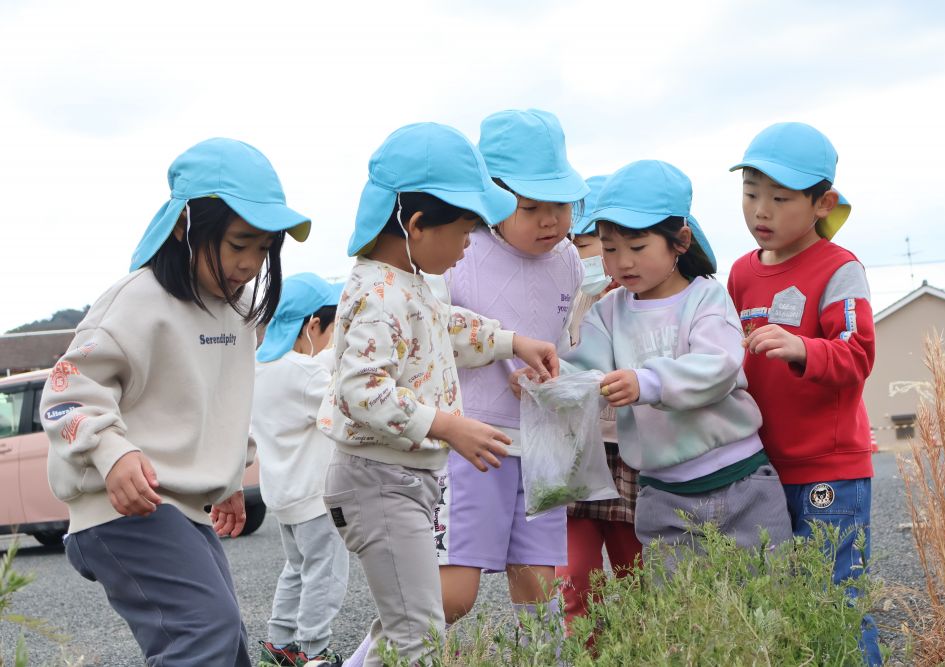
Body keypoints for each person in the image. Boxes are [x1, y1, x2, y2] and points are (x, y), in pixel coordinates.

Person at [39, 138, 311, 667]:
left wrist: (230, 478)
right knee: (202, 630)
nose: (252, 264)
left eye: (264, 249)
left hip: (183, 508)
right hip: (124, 506)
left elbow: (219, 403)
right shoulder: (137, 301)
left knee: (228, 643)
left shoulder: (234, 314)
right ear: (187, 225)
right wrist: (112, 453)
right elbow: (65, 394)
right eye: (239, 244)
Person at [323, 122, 560, 667]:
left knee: (408, 624)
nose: (466, 248)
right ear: (417, 225)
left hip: (400, 479)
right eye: (462, 233)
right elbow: (362, 389)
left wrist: (511, 341)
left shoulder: (407, 283)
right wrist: (447, 425)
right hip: (377, 479)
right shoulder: (373, 291)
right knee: (420, 633)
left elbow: (446, 327)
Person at [545, 159, 792, 572]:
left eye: (637, 247)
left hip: (739, 481)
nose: (622, 262)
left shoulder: (706, 298)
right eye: (609, 248)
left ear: (680, 241)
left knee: (767, 598)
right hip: (662, 494)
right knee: (681, 617)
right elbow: (583, 370)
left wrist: (647, 383)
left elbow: (719, 366)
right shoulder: (609, 312)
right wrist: (548, 378)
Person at [726, 122, 881, 664]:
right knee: (779, 606)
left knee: (834, 600)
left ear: (823, 203)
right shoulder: (741, 275)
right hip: (762, 470)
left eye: (779, 198)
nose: (760, 211)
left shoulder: (839, 269)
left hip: (829, 469)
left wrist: (803, 349)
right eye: (750, 194)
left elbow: (858, 353)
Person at [436, 108, 586, 632]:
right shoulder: (461, 250)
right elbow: (430, 332)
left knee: (540, 590)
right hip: (470, 438)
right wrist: (507, 347)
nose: (550, 220)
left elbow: (560, 341)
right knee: (453, 594)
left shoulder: (569, 260)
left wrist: (551, 374)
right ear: (493, 198)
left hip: (539, 440)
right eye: (531, 207)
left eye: (561, 205)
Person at [557, 175, 643, 634]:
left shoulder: (642, 297)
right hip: (578, 452)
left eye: (589, 241)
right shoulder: (562, 296)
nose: (580, 252)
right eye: (576, 239)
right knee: (572, 583)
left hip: (632, 450)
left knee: (638, 581)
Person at [253, 273, 349, 667]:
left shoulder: (258, 369)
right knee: (325, 575)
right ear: (312, 326)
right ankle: (314, 651)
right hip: (314, 497)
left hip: (281, 496)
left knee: (296, 568)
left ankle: (280, 644)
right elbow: (342, 412)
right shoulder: (306, 374)